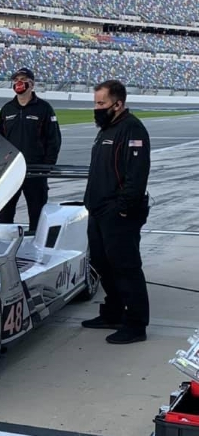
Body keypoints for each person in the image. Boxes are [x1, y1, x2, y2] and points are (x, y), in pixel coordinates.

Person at [82, 79, 151, 345]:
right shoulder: (106, 129)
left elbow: (136, 175)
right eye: (95, 103)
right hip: (98, 210)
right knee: (101, 263)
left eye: (102, 104)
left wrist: (123, 209)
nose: (97, 109)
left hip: (119, 214)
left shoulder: (131, 129)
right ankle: (112, 313)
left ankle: (135, 324)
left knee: (126, 267)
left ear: (118, 104)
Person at [0, 67, 62, 232]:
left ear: (31, 84)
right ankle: (5, 250)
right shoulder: (7, 109)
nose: (19, 83)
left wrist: (47, 166)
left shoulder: (44, 108)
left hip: (36, 170)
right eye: (16, 79)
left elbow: (54, 139)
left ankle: (36, 251)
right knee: (5, 215)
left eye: (23, 79)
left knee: (37, 214)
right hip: (11, 170)